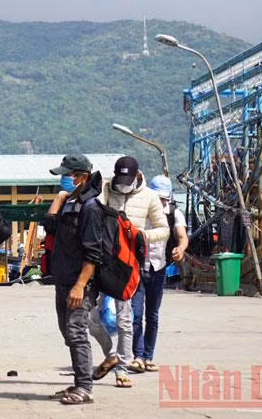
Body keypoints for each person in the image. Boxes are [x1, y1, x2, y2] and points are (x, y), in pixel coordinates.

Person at [89, 155, 169, 389]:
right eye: (119, 178)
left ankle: (122, 370)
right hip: (102, 261)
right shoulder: (107, 189)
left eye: (127, 179)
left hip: (128, 264)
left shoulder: (150, 197)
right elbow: (93, 208)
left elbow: (163, 229)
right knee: (89, 316)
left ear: (137, 176)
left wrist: (143, 235)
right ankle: (111, 353)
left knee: (125, 319)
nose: (122, 184)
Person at [42, 154, 105, 405]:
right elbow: (49, 226)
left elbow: (93, 253)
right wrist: (58, 199)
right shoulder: (71, 202)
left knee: (77, 332)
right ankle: (80, 380)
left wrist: (80, 285)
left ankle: (85, 388)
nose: (65, 179)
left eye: (69, 175)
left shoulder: (90, 207)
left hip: (80, 283)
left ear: (83, 177)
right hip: (63, 279)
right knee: (68, 332)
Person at [129, 175, 188, 373]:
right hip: (137, 267)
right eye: (157, 197)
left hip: (158, 267)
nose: (160, 202)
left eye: (163, 198)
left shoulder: (173, 213)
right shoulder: (138, 209)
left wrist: (181, 248)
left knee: (152, 315)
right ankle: (137, 356)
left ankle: (148, 356)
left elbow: (182, 236)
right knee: (136, 315)